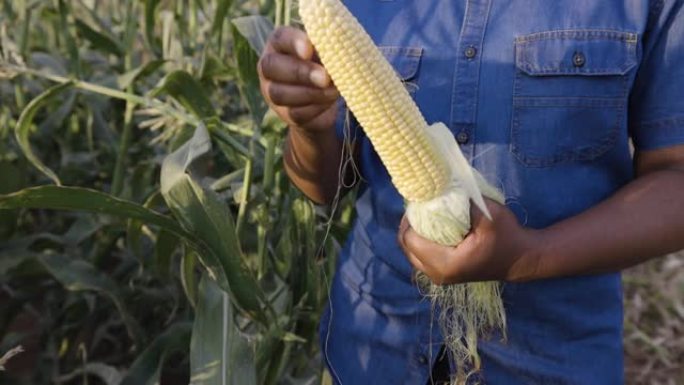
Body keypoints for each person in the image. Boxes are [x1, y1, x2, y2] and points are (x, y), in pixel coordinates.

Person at [257, 1, 684, 384]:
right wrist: (310, 127)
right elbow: (327, 186)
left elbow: (675, 177)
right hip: (373, 345)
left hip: (550, 356)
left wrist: (530, 256)